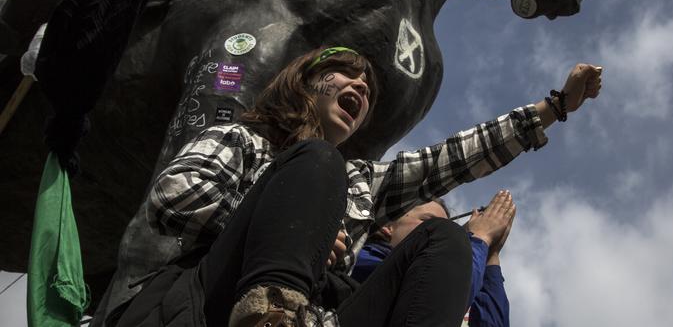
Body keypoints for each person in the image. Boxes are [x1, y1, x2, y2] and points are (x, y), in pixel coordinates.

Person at [116, 46, 603, 327]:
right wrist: (291, 233)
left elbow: (449, 160)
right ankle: (271, 317)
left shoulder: (359, 182)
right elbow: (174, 198)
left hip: (321, 314)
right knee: (317, 159)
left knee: (445, 238)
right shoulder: (244, 139)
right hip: (206, 307)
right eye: (345, 73)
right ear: (306, 81)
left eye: (368, 89)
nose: (361, 87)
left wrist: (554, 107)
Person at [351, 191, 516, 327]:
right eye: (429, 223)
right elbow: (438, 298)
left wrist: (490, 256)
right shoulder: (364, 258)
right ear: (387, 226)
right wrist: (479, 237)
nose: (437, 233)